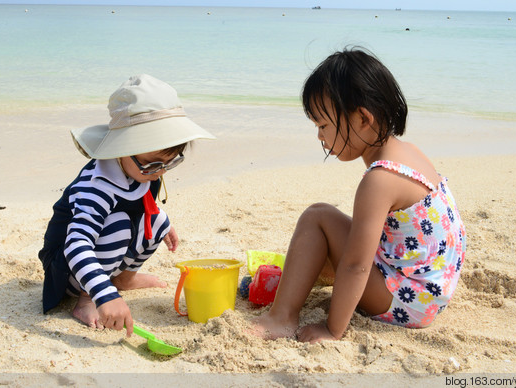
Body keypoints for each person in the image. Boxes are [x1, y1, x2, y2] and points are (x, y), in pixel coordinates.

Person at [252, 48, 466, 343]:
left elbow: (356, 265)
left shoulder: (379, 180)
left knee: (318, 217)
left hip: (406, 302)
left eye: (323, 125)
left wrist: (332, 329)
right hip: (432, 289)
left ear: (363, 118)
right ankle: (297, 282)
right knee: (328, 244)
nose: (320, 137)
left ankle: (281, 317)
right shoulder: (408, 152)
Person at [39, 74, 215, 336]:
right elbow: (76, 245)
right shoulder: (96, 187)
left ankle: (123, 279)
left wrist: (160, 222)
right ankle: (86, 298)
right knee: (119, 224)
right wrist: (104, 296)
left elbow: (140, 200)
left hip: (98, 257)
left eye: (171, 161)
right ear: (122, 148)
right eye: (153, 163)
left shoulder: (140, 170)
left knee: (156, 220)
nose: (160, 172)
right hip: (68, 268)